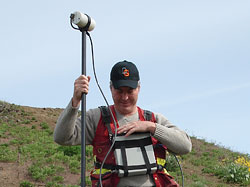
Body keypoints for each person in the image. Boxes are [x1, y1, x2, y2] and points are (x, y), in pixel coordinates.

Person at [54, 60, 192, 187]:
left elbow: (185, 146)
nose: (125, 97)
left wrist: (151, 127)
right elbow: (62, 137)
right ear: (111, 88)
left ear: (139, 88)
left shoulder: (154, 119)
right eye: (119, 91)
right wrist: (75, 101)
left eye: (130, 91)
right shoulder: (96, 118)